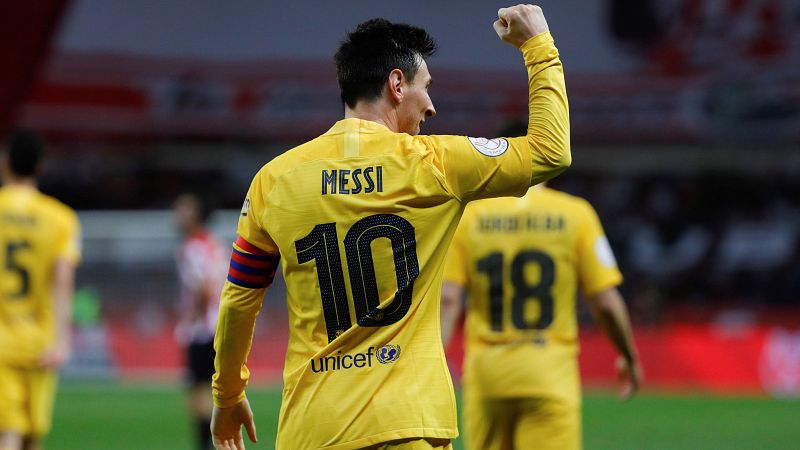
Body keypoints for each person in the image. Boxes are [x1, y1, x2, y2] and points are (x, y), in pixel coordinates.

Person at [211, 5, 571, 450]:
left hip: (312, 429)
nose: (432, 107)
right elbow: (551, 153)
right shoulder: (436, 165)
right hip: (406, 424)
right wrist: (538, 46)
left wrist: (228, 395)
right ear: (397, 85)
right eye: (426, 87)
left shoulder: (274, 179)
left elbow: (239, 299)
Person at [440, 144, 642, 449]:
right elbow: (606, 303)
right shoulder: (576, 214)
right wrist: (628, 356)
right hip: (549, 374)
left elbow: (447, 299)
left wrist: (435, 366)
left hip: (487, 376)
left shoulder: (470, 216)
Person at [0, 130, 80, 450]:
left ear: (5, 162)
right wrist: (62, 339)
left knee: (8, 430)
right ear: (40, 167)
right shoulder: (61, 218)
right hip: (40, 341)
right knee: (31, 436)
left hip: (2, 340)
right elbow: (62, 282)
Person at [174, 193, 226, 450]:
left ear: (196, 215)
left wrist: (194, 319)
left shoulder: (192, 247)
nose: (177, 214)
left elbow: (203, 288)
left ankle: (207, 445)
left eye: (183, 209)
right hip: (220, 324)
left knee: (198, 391)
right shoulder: (214, 244)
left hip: (204, 329)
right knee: (215, 390)